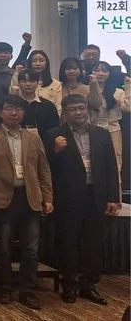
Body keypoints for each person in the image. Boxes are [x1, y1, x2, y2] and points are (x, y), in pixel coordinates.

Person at [0, 95, 53, 310]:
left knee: (31, 249)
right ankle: (5, 288)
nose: (14, 113)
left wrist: (48, 197)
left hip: (30, 198)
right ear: (1, 112)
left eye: (18, 109)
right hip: (3, 198)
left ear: (23, 112)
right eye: (9, 108)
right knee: (3, 248)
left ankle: (27, 291)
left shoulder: (33, 137)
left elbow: (43, 169)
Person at [45, 94, 121, 305]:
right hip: (67, 198)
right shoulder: (53, 135)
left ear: (87, 108)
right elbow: (45, 168)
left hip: (95, 196)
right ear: (64, 112)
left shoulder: (101, 134)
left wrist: (113, 197)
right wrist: (55, 151)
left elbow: (111, 167)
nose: (78, 112)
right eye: (73, 109)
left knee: (93, 242)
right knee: (67, 242)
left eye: (81, 108)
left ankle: (89, 285)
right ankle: (69, 284)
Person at [87, 62, 129, 176]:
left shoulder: (117, 91)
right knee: (95, 161)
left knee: (115, 161)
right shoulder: (87, 90)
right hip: (93, 129)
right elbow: (96, 104)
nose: (100, 73)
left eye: (104, 71)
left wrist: (128, 87)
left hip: (113, 130)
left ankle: (116, 187)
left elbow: (127, 108)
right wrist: (94, 85)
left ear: (110, 73)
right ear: (91, 72)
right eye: (97, 70)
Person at [12, 69, 61, 138]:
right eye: (24, 81)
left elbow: (54, 128)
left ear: (37, 83)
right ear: (19, 84)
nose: (28, 84)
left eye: (31, 81)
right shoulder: (13, 105)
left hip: (44, 142)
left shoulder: (48, 105)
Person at [13, 50, 62, 114]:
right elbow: (13, 93)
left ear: (47, 63)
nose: (38, 64)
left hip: (49, 116)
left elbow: (58, 107)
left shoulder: (56, 84)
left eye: (41, 61)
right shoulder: (24, 82)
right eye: (34, 61)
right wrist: (17, 73)